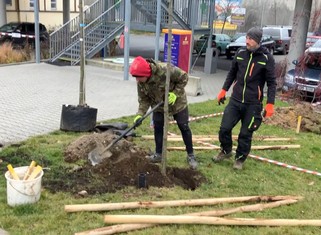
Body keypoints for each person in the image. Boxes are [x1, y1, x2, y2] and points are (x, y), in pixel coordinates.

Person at [213, 26, 276, 170]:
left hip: (253, 104)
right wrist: (223, 90)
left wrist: (270, 104)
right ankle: (226, 150)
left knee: (245, 134)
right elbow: (231, 74)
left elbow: (272, 83)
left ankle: (239, 160)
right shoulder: (240, 53)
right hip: (235, 100)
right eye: (247, 38)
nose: (247, 41)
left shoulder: (267, 58)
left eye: (251, 39)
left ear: (258, 41)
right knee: (224, 128)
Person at [129, 56, 198, 169]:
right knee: (158, 127)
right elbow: (144, 100)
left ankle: (191, 155)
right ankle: (158, 154)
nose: (137, 80)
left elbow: (184, 77)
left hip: (177, 103)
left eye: (138, 77)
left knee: (183, 126)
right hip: (159, 106)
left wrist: (175, 93)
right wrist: (139, 114)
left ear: (146, 73)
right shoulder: (141, 82)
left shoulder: (165, 70)